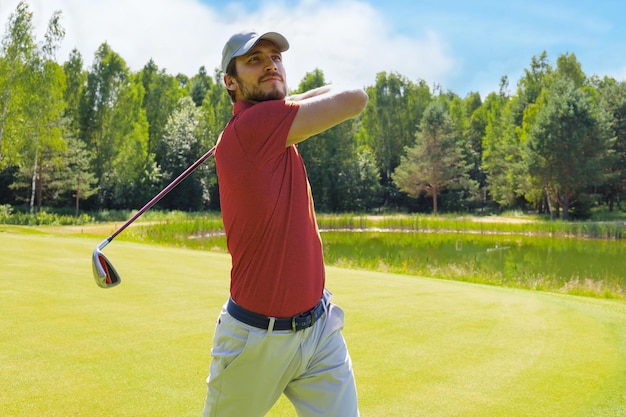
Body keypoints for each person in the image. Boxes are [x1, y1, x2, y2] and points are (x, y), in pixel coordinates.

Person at [202, 30, 368, 417]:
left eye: (275, 58)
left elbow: (325, 95)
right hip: (257, 342)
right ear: (230, 81)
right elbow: (354, 97)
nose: (270, 65)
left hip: (319, 330)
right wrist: (283, 98)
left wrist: (281, 95)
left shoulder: (267, 125)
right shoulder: (255, 127)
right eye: (254, 60)